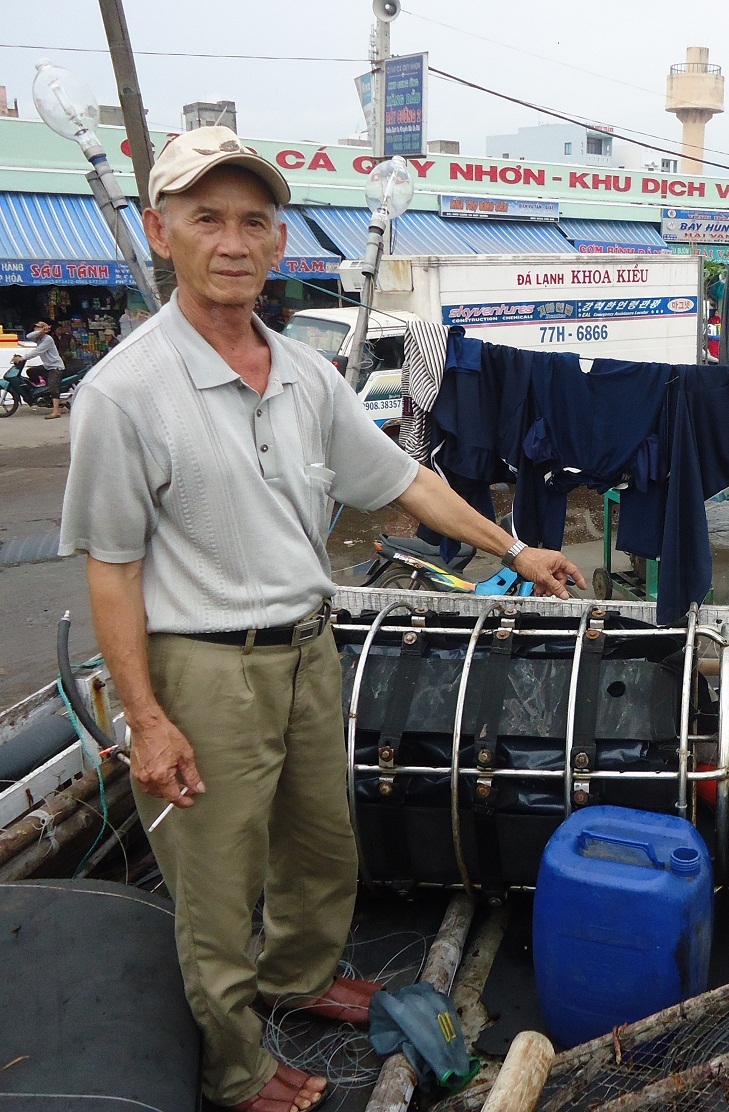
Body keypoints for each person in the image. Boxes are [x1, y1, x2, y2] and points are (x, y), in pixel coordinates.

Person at [58, 126, 584, 1112]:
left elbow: (403, 480)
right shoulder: (123, 394)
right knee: (215, 882)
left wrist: (513, 549)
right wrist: (147, 718)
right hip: (200, 669)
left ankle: (299, 974)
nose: (232, 239)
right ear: (160, 231)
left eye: (253, 220)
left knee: (320, 844)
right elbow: (112, 567)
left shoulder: (303, 373)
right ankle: (235, 1062)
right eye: (205, 216)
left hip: (307, 649)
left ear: (279, 243)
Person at [25, 319, 65, 419]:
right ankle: (43, 391)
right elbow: (28, 336)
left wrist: (24, 357)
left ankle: (56, 412)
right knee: (30, 371)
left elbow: (38, 351)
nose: (36, 329)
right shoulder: (38, 338)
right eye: (36, 327)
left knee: (53, 387)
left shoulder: (48, 339)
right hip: (47, 366)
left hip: (55, 366)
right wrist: (41, 330)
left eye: (38, 327)